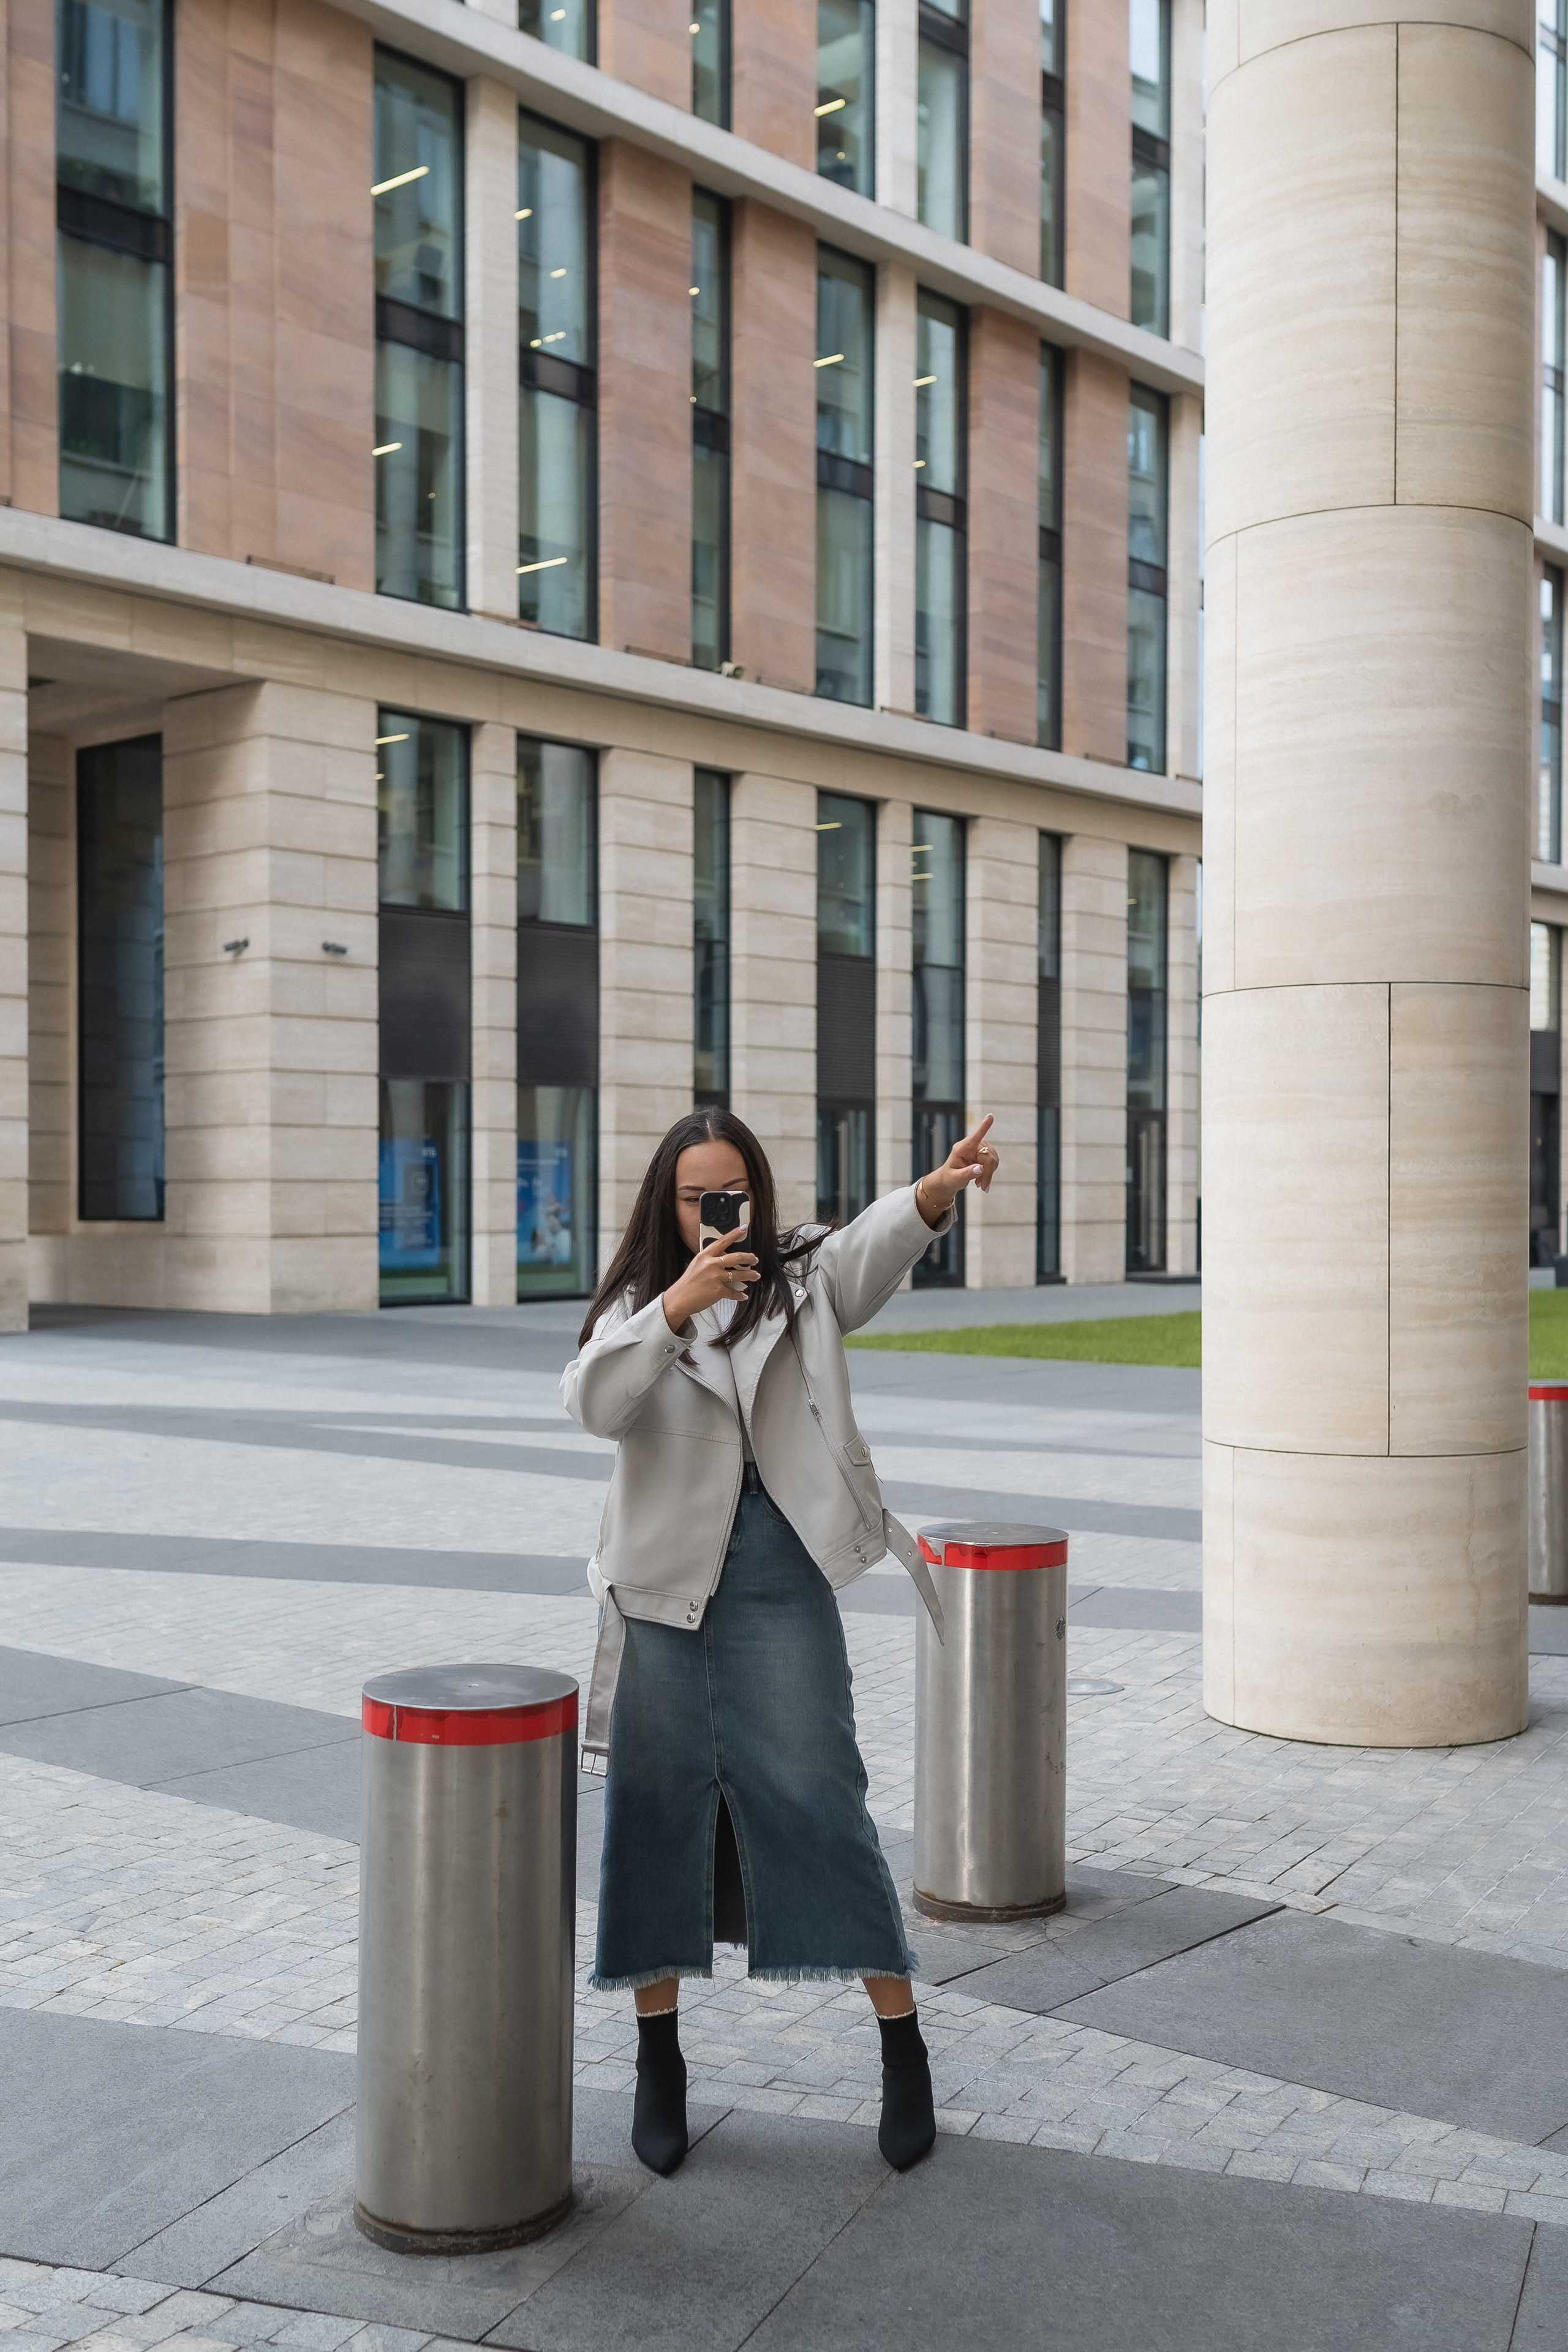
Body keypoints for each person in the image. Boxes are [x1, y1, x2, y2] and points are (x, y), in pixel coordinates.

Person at [562, 1106, 1000, 2178]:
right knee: (653, 1817)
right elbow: (592, 1404)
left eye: (735, 1192)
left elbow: (871, 1248)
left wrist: (934, 1192)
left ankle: (902, 2046)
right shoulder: (637, 1305)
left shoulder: (803, 1277)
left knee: (821, 1798)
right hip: (662, 1591)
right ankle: (658, 2060)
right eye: (697, 1197)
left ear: (757, 1190)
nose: (720, 1212)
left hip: (781, 1570)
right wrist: (675, 1308)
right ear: (667, 1204)